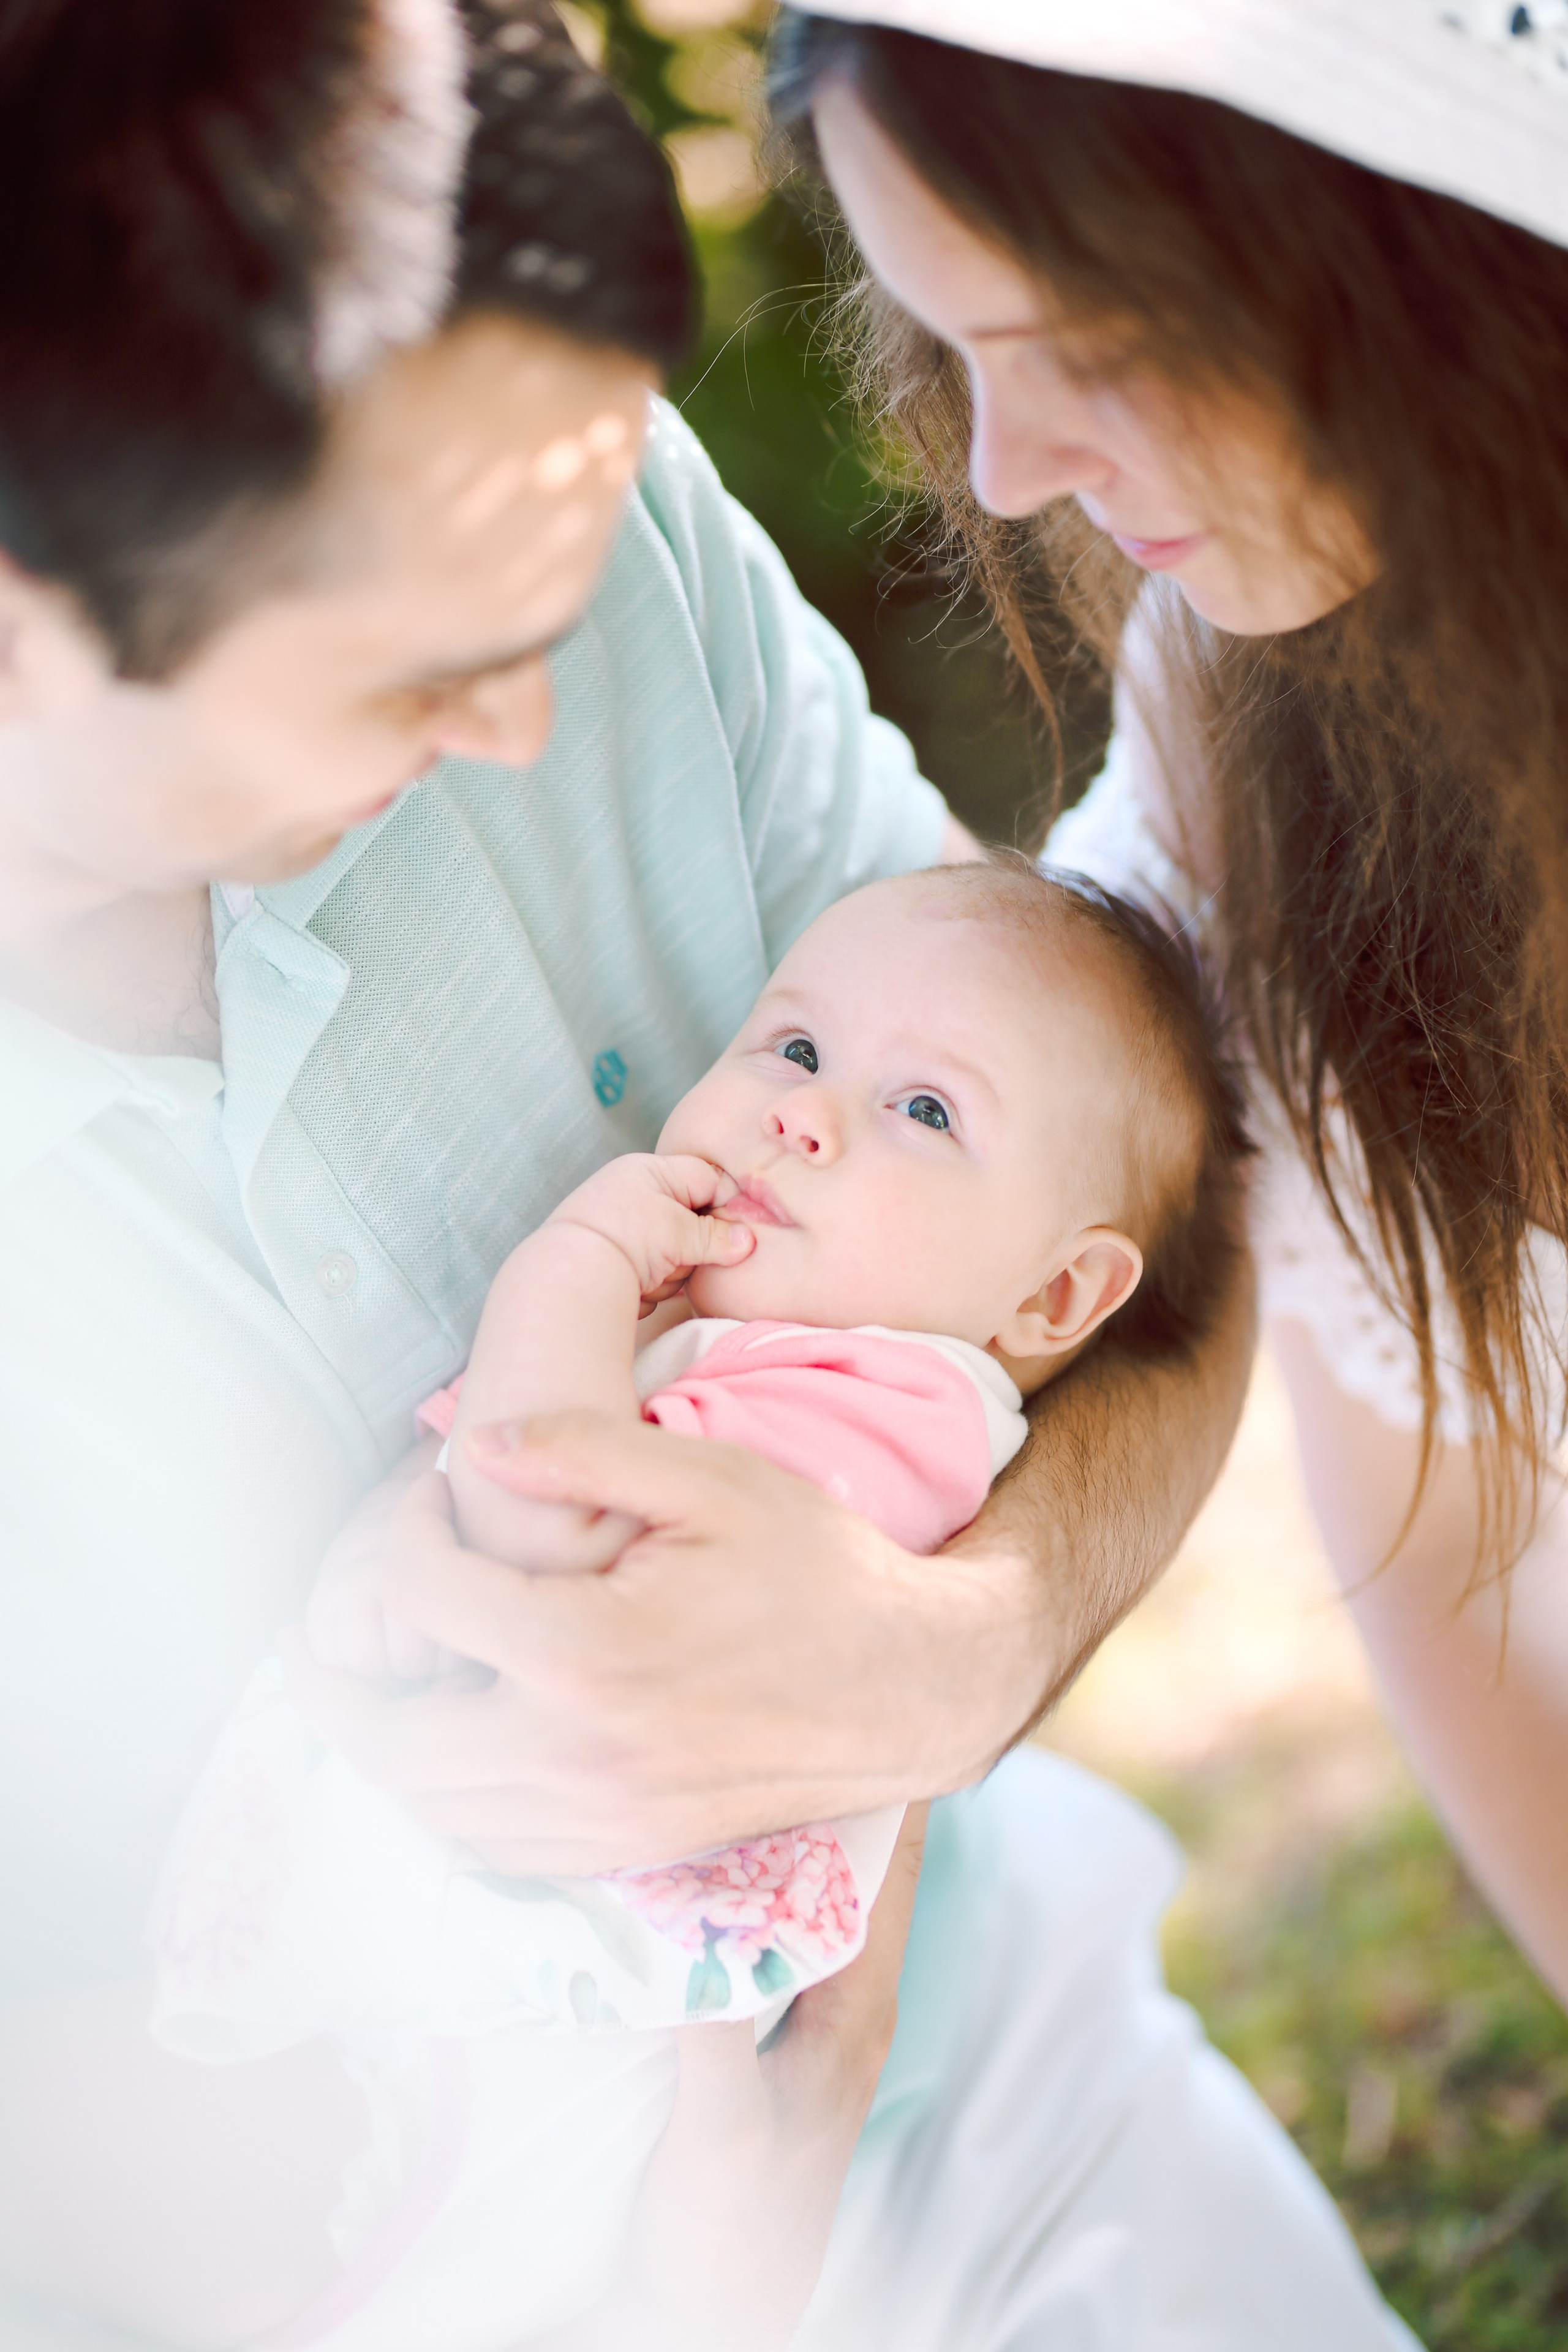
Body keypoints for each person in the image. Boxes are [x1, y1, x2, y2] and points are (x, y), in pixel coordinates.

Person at [0, 0, 1414, 2345]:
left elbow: (1142, 1235)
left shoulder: (575, 501)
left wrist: (957, 1650)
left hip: (966, 2062)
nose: (531, 724)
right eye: (419, 661)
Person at [143, 860, 1248, 2350]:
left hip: (564, 2047)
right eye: (793, 1047)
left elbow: (541, 1512)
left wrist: (577, 1266)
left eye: (925, 1112)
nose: (805, 1115)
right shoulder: (777, 1360)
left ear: (1051, 1301)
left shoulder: (884, 1411)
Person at [772, 0, 1568, 2066]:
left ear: (1409, 237)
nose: (1005, 466)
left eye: (1095, 344)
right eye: (959, 352)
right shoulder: (1242, 731)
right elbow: (1446, 1551)